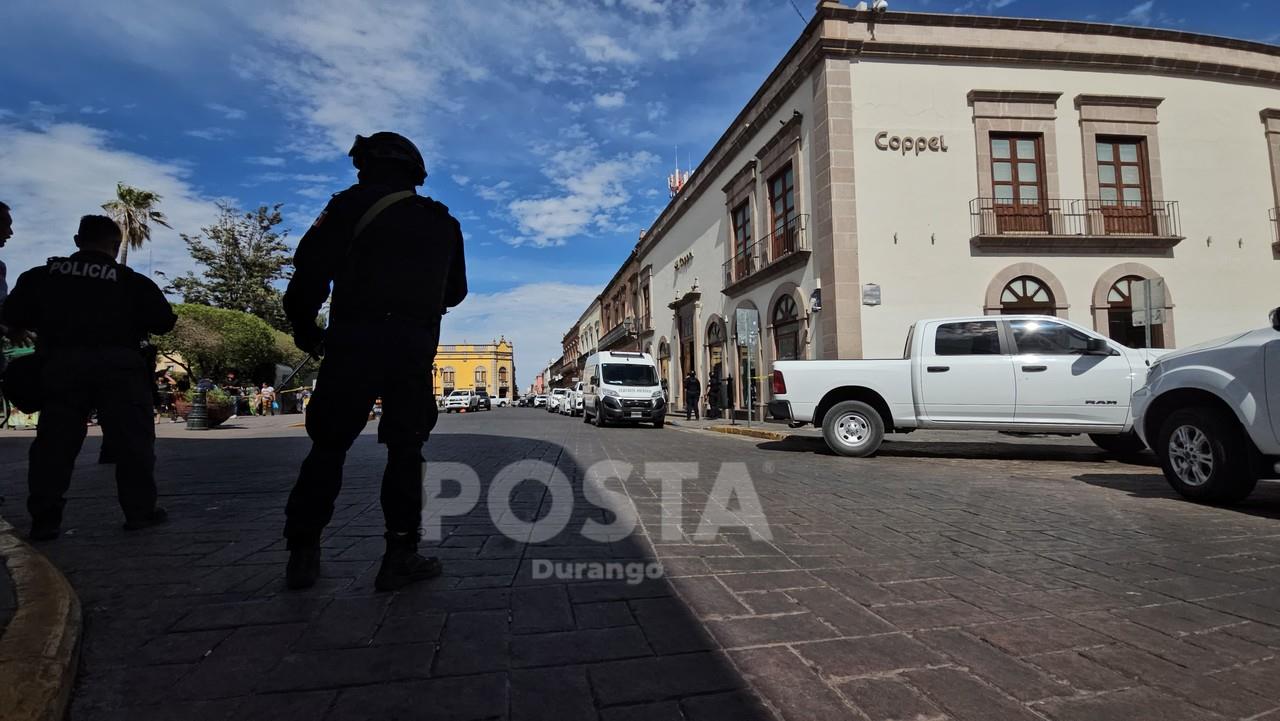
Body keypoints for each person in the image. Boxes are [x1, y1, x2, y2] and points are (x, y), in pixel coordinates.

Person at [281, 131, 467, 592]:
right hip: (410, 345)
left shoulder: (346, 207)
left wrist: (307, 330)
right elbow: (457, 292)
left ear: (366, 167)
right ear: (415, 173)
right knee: (406, 451)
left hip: (352, 341)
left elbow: (309, 275)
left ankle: (303, 550)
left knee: (328, 447)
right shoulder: (442, 222)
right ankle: (400, 553)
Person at [3, 215, 177, 540]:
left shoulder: (42, 276)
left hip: (61, 366)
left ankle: (45, 519)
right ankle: (139, 512)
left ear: (77, 241)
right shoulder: (130, 281)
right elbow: (163, 322)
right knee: (132, 444)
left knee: (54, 445)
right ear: (115, 246)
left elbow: (12, 315)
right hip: (119, 369)